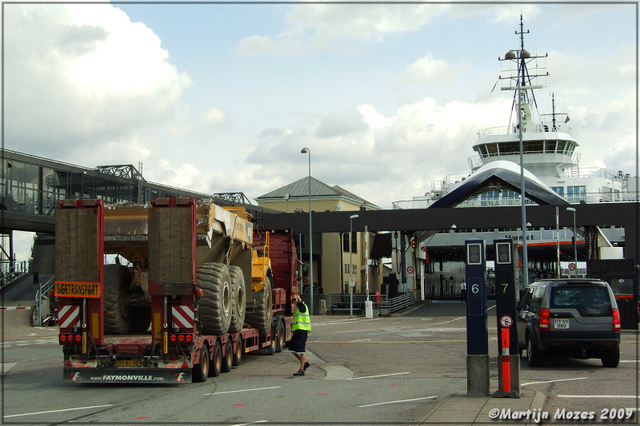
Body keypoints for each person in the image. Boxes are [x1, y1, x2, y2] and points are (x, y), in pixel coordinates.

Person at [290, 292, 311, 376]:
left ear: (298, 298)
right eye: (292, 300)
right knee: (292, 349)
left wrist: (299, 301)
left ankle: (301, 369)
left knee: (301, 350)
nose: (294, 301)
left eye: (295, 299)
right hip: (296, 333)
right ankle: (304, 363)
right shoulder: (297, 310)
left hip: (302, 332)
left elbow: (302, 307)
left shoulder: (303, 306)